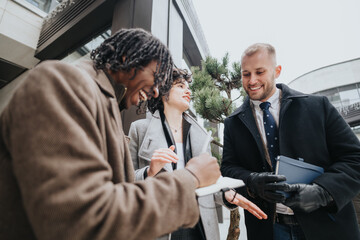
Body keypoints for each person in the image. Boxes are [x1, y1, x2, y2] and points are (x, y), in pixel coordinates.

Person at [0, 28, 222, 240]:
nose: (156, 91)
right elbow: (79, 220)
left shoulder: (109, 110)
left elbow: (116, 195)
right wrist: (190, 178)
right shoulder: (61, 82)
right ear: (127, 58)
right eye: (156, 76)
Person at [221, 43, 360, 240]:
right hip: (268, 230)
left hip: (326, 225)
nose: (252, 80)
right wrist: (251, 181)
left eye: (260, 72)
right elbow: (227, 169)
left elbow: (354, 158)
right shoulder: (233, 123)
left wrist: (323, 192)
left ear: (277, 71)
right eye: (246, 74)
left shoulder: (317, 107)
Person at [128, 68, 267, 240]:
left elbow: (206, 184)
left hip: (198, 225)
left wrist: (224, 194)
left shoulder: (201, 135)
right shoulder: (139, 130)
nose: (188, 91)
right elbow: (125, 182)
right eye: (180, 86)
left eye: (188, 87)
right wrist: (150, 171)